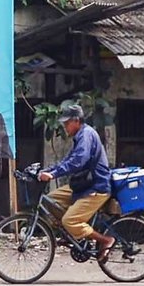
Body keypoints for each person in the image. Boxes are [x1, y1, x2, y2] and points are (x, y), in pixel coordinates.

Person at [38, 105, 115, 262]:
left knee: (70, 220)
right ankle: (73, 234)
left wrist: (53, 175)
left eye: (67, 123)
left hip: (97, 187)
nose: (65, 126)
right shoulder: (80, 136)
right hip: (83, 185)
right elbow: (68, 160)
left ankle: (106, 240)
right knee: (51, 200)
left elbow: (78, 162)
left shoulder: (86, 135)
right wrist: (47, 170)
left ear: (76, 121)